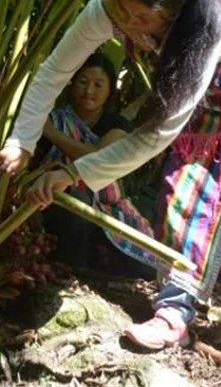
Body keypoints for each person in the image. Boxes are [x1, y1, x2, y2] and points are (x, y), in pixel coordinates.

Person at [0, 0, 221, 375]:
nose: (127, 23)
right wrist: (21, 140)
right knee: (180, 198)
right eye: (123, 8)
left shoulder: (207, 26)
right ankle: (175, 313)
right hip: (190, 103)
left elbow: (156, 135)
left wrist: (75, 173)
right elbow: (54, 72)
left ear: (173, 11)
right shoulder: (114, 7)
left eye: (142, 18)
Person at [34, 53, 154, 278]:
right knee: (77, 200)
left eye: (98, 84)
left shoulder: (116, 124)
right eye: (82, 82)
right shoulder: (57, 117)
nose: (89, 91)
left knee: (143, 265)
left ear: (109, 91)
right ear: (71, 83)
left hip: (108, 206)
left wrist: (51, 133)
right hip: (60, 200)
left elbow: (97, 158)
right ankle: (74, 267)